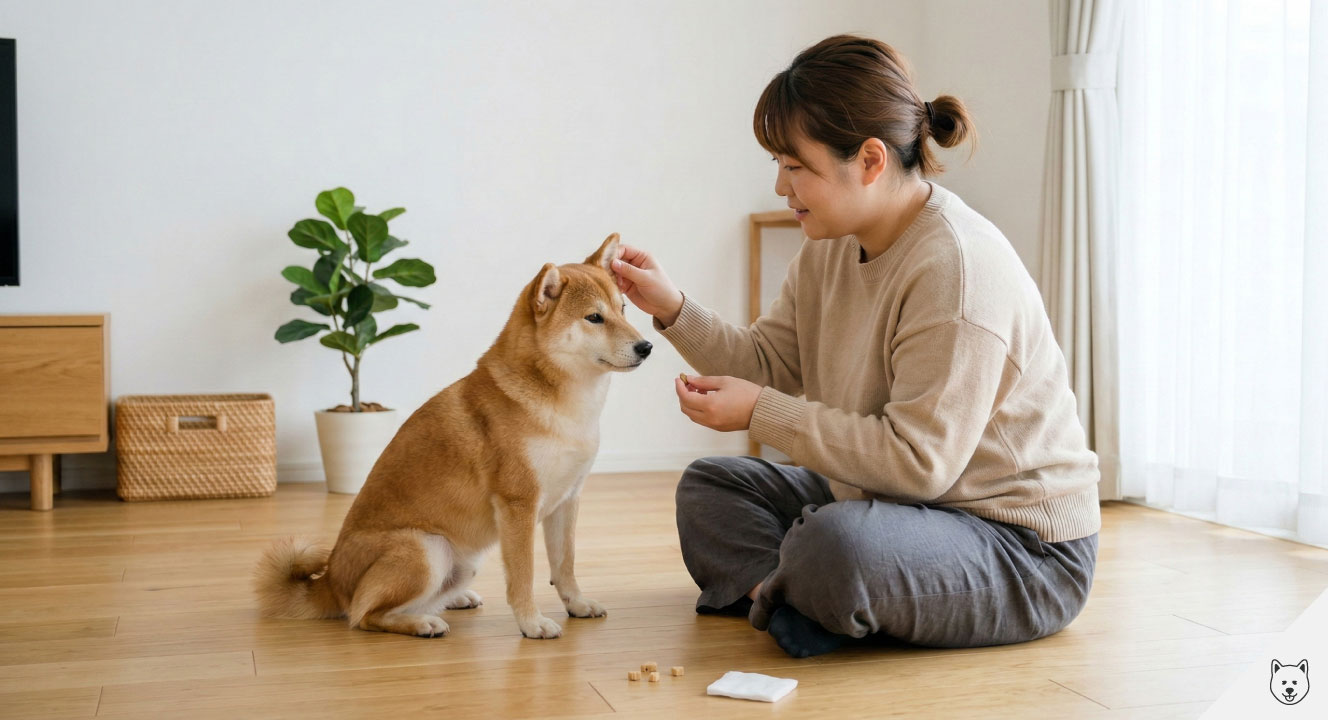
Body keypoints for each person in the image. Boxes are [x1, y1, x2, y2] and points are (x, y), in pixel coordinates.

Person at [610, 35, 1101, 658]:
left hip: (1017, 545)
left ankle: (808, 591)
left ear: (870, 160)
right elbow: (769, 365)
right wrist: (672, 308)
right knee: (712, 488)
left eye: (797, 168)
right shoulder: (829, 246)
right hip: (890, 499)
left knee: (835, 546)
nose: (783, 188)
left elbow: (918, 464)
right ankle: (797, 598)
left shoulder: (956, 267)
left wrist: (761, 412)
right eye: (779, 166)